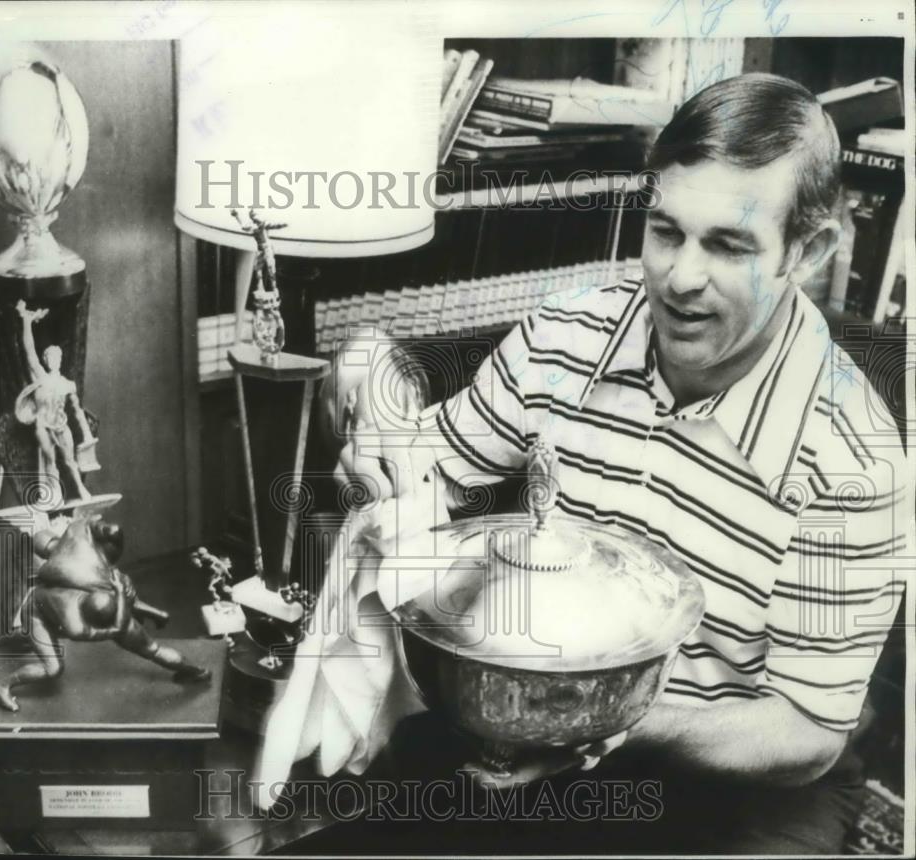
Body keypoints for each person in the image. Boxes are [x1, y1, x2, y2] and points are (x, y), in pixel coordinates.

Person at [325, 73, 907, 854]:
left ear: (809, 250)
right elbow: (422, 472)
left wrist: (602, 724)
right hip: (537, 715)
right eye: (666, 231)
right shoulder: (564, 336)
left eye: (729, 245)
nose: (681, 278)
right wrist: (373, 441)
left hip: (742, 769)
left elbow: (807, 732)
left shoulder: (856, 458)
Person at [0, 515, 211, 712]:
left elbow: (123, 611)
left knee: (152, 648)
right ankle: (2, 684)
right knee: (53, 667)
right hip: (39, 613)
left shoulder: (94, 569)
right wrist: (141, 610)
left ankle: (196, 670)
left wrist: (151, 612)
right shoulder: (82, 612)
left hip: (81, 606)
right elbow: (114, 623)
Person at [14, 299, 98, 504]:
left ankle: (80, 489)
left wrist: (86, 434)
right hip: (43, 425)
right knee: (49, 460)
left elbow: (77, 410)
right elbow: (29, 350)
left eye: (57, 358)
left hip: (61, 426)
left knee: (70, 461)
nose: (55, 361)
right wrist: (26, 322)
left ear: (60, 360)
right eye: (51, 358)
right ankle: (55, 495)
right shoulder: (40, 376)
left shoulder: (68, 384)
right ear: (46, 360)